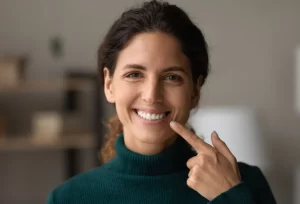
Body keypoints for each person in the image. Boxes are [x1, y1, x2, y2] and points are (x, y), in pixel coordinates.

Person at [46, 1, 276, 203]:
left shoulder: (245, 185)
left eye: (171, 77)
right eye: (134, 74)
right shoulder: (68, 198)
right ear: (109, 85)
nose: (151, 95)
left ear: (195, 90)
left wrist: (230, 198)